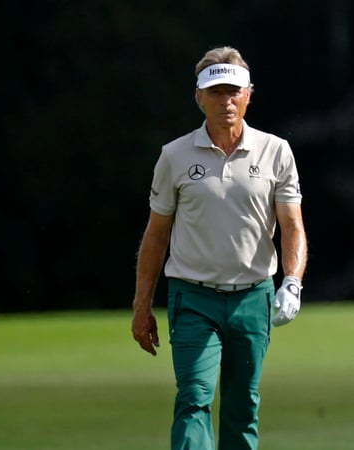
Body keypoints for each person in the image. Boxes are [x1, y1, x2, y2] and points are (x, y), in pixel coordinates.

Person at [131, 45, 308, 450]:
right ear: (199, 98)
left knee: (242, 406)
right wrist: (142, 305)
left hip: (253, 297)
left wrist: (293, 281)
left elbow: (291, 225)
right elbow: (156, 234)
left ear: (248, 94)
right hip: (193, 298)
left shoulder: (275, 150)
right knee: (194, 399)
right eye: (215, 92)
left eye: (233, 91)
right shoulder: (174, 156)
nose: (225, 101)